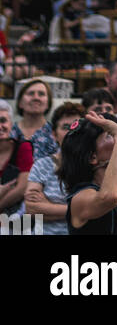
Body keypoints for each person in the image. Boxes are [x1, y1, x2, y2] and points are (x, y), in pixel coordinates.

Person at [24, 100, 84, 234]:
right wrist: (77, 211)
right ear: (54, 134)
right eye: (65, 127)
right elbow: (31, 209)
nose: (70, 131)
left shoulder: (93, 165)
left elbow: (96, 209)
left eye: (75, 126)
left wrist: (48, 206)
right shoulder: (42, 165)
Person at [0, 97, 33, 215]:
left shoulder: (23, 147)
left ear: (11, 124)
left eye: (3, 120)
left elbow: (22, 188)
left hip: (16, 218)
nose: (0, 126)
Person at [13, 77, 57, 158]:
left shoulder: (55, 134)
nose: (36, 98)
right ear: (20, 103)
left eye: (41, 94)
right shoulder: (9, 133)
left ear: (48, 104)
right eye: (31, 93)